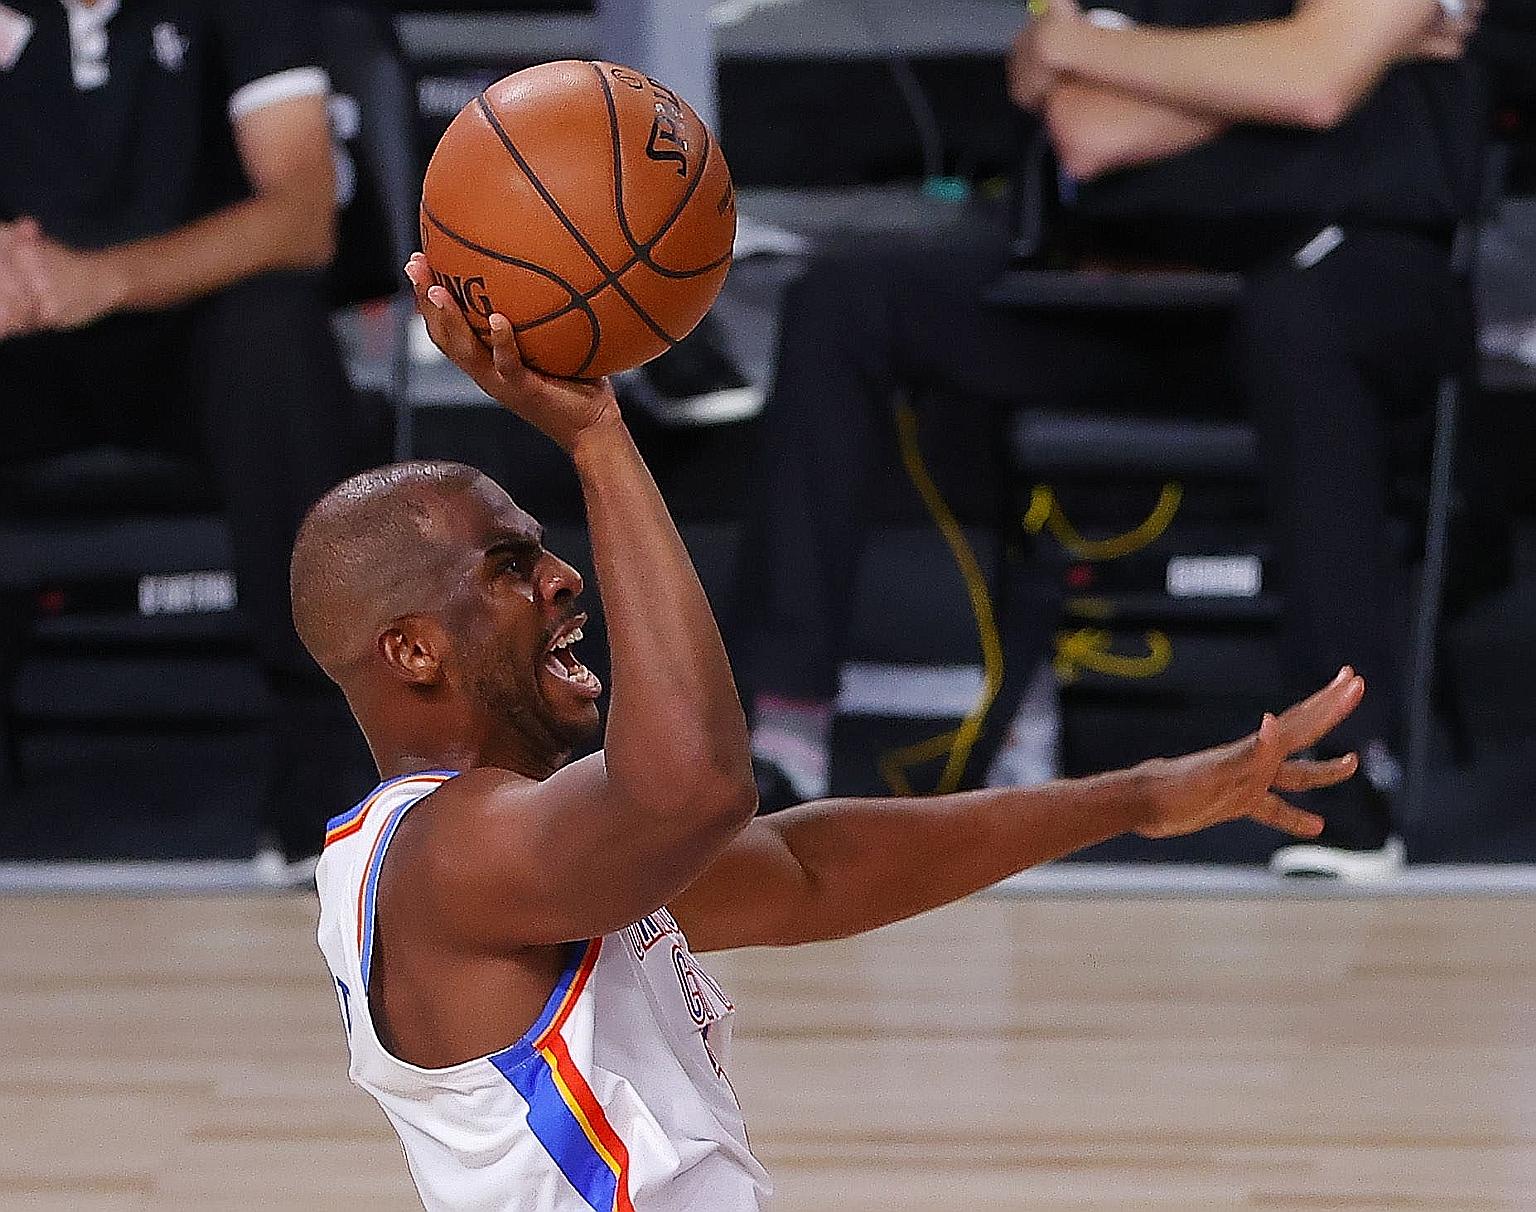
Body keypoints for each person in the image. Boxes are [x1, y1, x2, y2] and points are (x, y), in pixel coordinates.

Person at [297, 255, 1367, 1210]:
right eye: (510, 568)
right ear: (412, 652)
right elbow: (696, 788)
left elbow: (811, 870)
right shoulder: (455, 853)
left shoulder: (513, 861)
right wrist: (597, 436)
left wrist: (1134, 797)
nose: (562, 579)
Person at [735, 0, 1481, 879]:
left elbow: (1312, 88)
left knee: (1302, 320)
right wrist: (1308, 62)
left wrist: (1096, 48)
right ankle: (783, 738)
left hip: (1352, 274)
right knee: (843, 306)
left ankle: (1348, 766)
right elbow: (1091, 130)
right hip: (1139, 286)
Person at [0, 0, 377, 872]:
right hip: (23, 338)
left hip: (190, 337)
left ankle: (327, 772)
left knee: (277, 333)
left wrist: (102, 278)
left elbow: (302, 214)